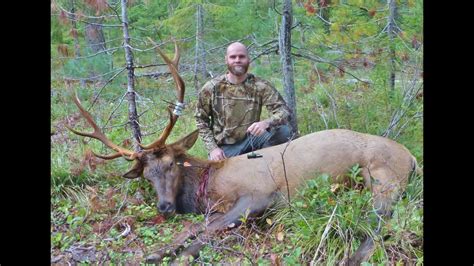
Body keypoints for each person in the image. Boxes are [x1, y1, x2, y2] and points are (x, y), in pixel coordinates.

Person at [195, 42, 292, 161]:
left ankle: (266, 163)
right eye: (233, 57)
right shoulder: (212, 88)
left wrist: (266, 123)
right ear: (226, 60)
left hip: (253, 139)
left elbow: (283, 111)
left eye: (241, 56)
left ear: (248, 59)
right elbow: (201, 120)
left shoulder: (260, 85)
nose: (237, 60)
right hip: (225, 148)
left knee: (284, 132)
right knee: (218, 175)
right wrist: (212, 149)